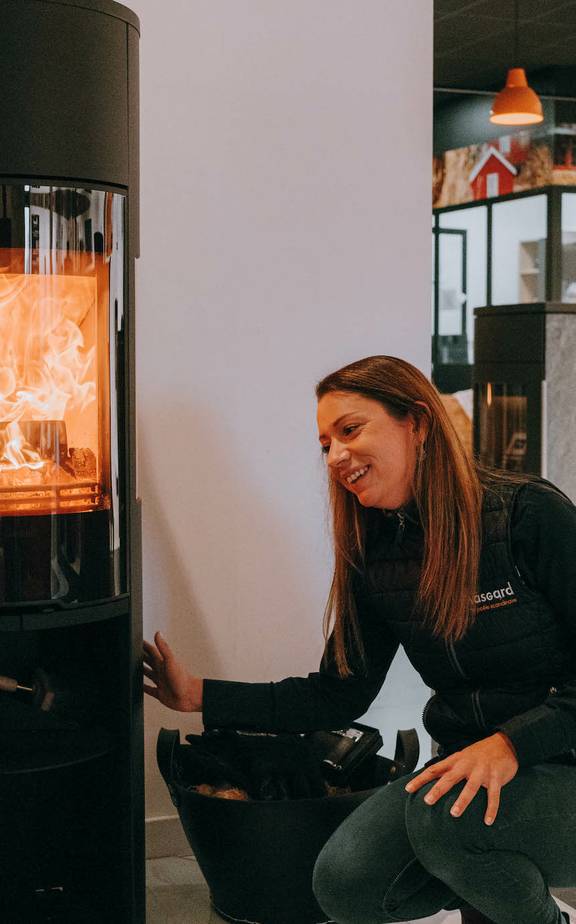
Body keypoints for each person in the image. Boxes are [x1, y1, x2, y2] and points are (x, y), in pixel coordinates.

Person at [143, 355, 576, 924]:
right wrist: (200, 694)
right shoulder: (374, 554)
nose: (336, 456)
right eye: (325, 444)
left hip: (561, 763)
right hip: (472, 770)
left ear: (416, 423)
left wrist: (511, 743)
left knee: (447, 821)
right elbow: (335, 695)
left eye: (350, 430)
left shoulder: (526, 514)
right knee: (345, 883)